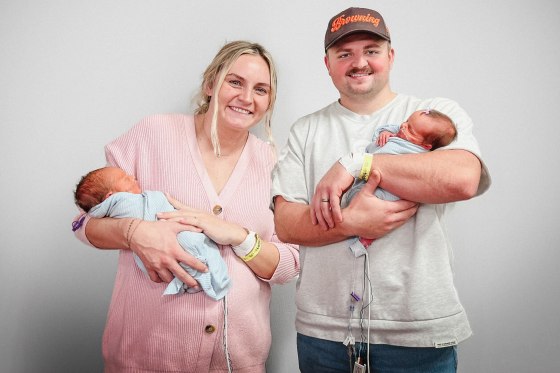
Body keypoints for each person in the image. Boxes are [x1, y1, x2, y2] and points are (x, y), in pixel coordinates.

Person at [271, 7, 491, 373]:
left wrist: (360, 165)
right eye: (345, 54)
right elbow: (286, 224)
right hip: (322, 335)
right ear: (327, 63)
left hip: (417, 333)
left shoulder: (433, 113)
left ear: (391, 56)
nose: (359, 62)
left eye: (371, 50)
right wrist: (352, 222)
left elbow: (463, 179)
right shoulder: (304, 130)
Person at [72, 40, 299, 373]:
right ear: (210, 84)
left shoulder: (274, 165)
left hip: (236, 362)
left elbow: (290, 263)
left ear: (270, 100)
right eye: (235, 82)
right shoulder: (153, 134)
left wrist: (239, 236)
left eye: (261, 89)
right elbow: (81, 224)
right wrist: (136, 232)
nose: (247, 97)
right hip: (145, 357)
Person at [74, 166, 231, 300]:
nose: (132, 176)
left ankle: (203, 274)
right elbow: (80, 224)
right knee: (188, 241)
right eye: (125, 178)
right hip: (153, 310)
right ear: (112, 197)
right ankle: (204, 274)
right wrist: (134, 230)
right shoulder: (122, 203)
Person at [341, 109, 458, 254]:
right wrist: (385, 134)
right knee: (353, 199)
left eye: (410, 129)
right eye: (407, 121)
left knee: (377, 213)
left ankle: (364, 242)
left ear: (426, 146)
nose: (403, 127)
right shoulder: (399, 132)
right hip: (366, 176)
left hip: (388, 192)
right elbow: (388, 129)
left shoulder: (418, 154)